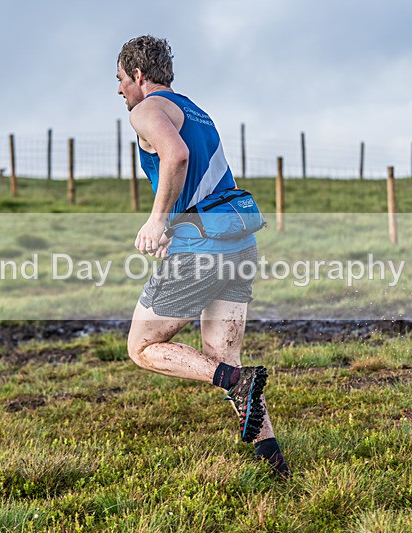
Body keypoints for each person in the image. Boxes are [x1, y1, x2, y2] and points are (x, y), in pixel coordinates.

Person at [117, 35, 290, 478]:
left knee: (141, 346)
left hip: (202, 250)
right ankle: (274, 464)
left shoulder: (146, 110)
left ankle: (236, 382)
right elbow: (201, 178)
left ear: (138, 74)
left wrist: (157, 221)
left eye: (120, 79)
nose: (119, 90)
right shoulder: (196, 110)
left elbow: (176, 156)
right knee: (221, 353)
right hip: (239, 241)